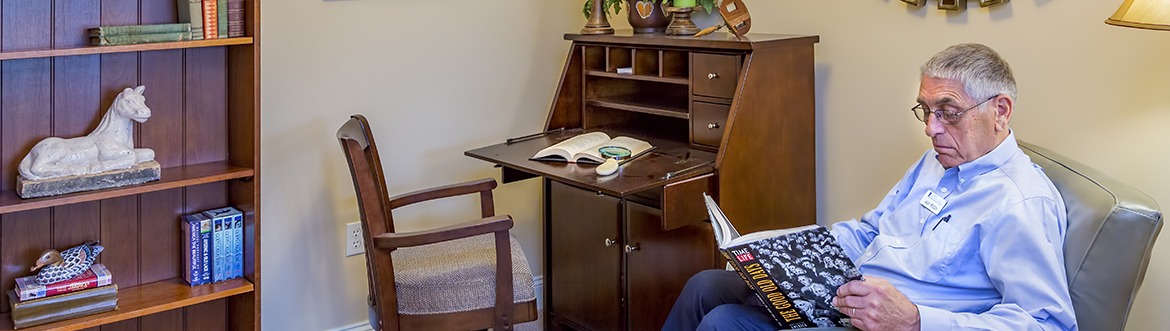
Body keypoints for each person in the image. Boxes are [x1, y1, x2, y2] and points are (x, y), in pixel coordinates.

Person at [662, 43, 1078, 331]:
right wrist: (776, 251)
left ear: (1000, 110)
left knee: (723, 323)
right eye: (926, 111)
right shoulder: (936, 163)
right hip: (846, 296)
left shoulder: (1019, 202)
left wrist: (914, 319)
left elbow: (1048, 323)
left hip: (895, 325)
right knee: (706, 285)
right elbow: (869, 230)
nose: (931, 129)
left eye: (948, 113)